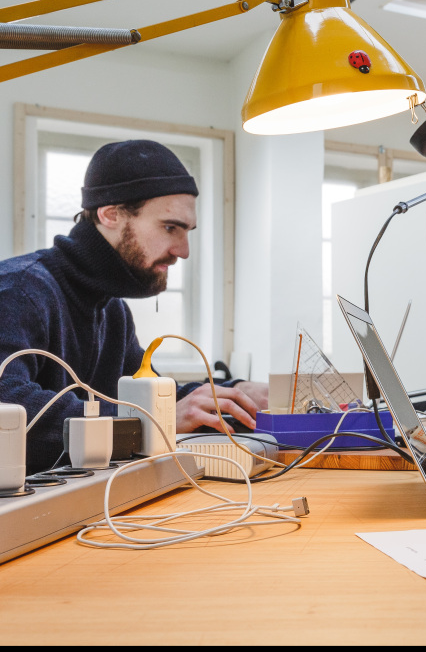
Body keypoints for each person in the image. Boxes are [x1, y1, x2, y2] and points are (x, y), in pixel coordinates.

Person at [0, 140, 268, 474]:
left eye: (188, 232)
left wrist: (232, 394)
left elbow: (143, 395)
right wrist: (157, 421)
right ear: (110, 214)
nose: (183, 251)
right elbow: (10, 408)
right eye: (170, 227)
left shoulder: (112, 311)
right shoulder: (18, 290)